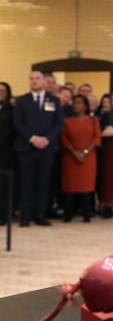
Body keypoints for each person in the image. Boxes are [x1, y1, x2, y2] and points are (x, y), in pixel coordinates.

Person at [12, 70, 64, 227]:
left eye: (37, 78)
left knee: (43, 182)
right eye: (31, 79)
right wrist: (33, 138)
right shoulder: (22, 100)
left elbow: (59, 124)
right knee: (26, 182)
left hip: (47, 148)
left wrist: (47, 139)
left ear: (44, 81)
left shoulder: (54, 100)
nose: (34, 81)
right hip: (26, 147)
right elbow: (18, 123)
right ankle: (25, 216)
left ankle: (40, 214)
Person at [60, 94, 100, 222]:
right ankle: (68, 215)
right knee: (70, 186)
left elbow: (97, 138)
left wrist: (85, 152)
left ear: (85, 106)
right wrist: (75, 152)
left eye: (78, 103)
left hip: (88, 158)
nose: (75, 105)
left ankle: (87, 215)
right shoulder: (66, 120)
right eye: (74, 103)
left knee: (86, 186)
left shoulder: (93, 121)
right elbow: (64, 138)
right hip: (70, 157)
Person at [0, 82, 13, 226]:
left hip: (4, 153)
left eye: (3, 90)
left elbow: (9, 133)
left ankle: (2, 216)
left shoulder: (11, 110)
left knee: (2, 187)